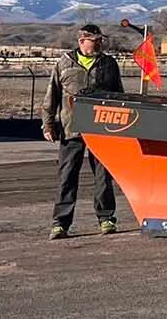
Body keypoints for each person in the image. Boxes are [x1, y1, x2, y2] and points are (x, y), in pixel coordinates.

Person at [42, 24, 125, 239]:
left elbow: (119, 96)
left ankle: (106, 218)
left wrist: (123, 124)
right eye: (94, 40)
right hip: (71, 128)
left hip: (102, 128)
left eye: (100, 40)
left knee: (103, 177)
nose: (99, 43)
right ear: (82, 41)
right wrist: (48, 124)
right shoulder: (64, 63)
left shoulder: (108, 64)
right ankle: (60, 223)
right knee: (67, 176)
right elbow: (52, 95)